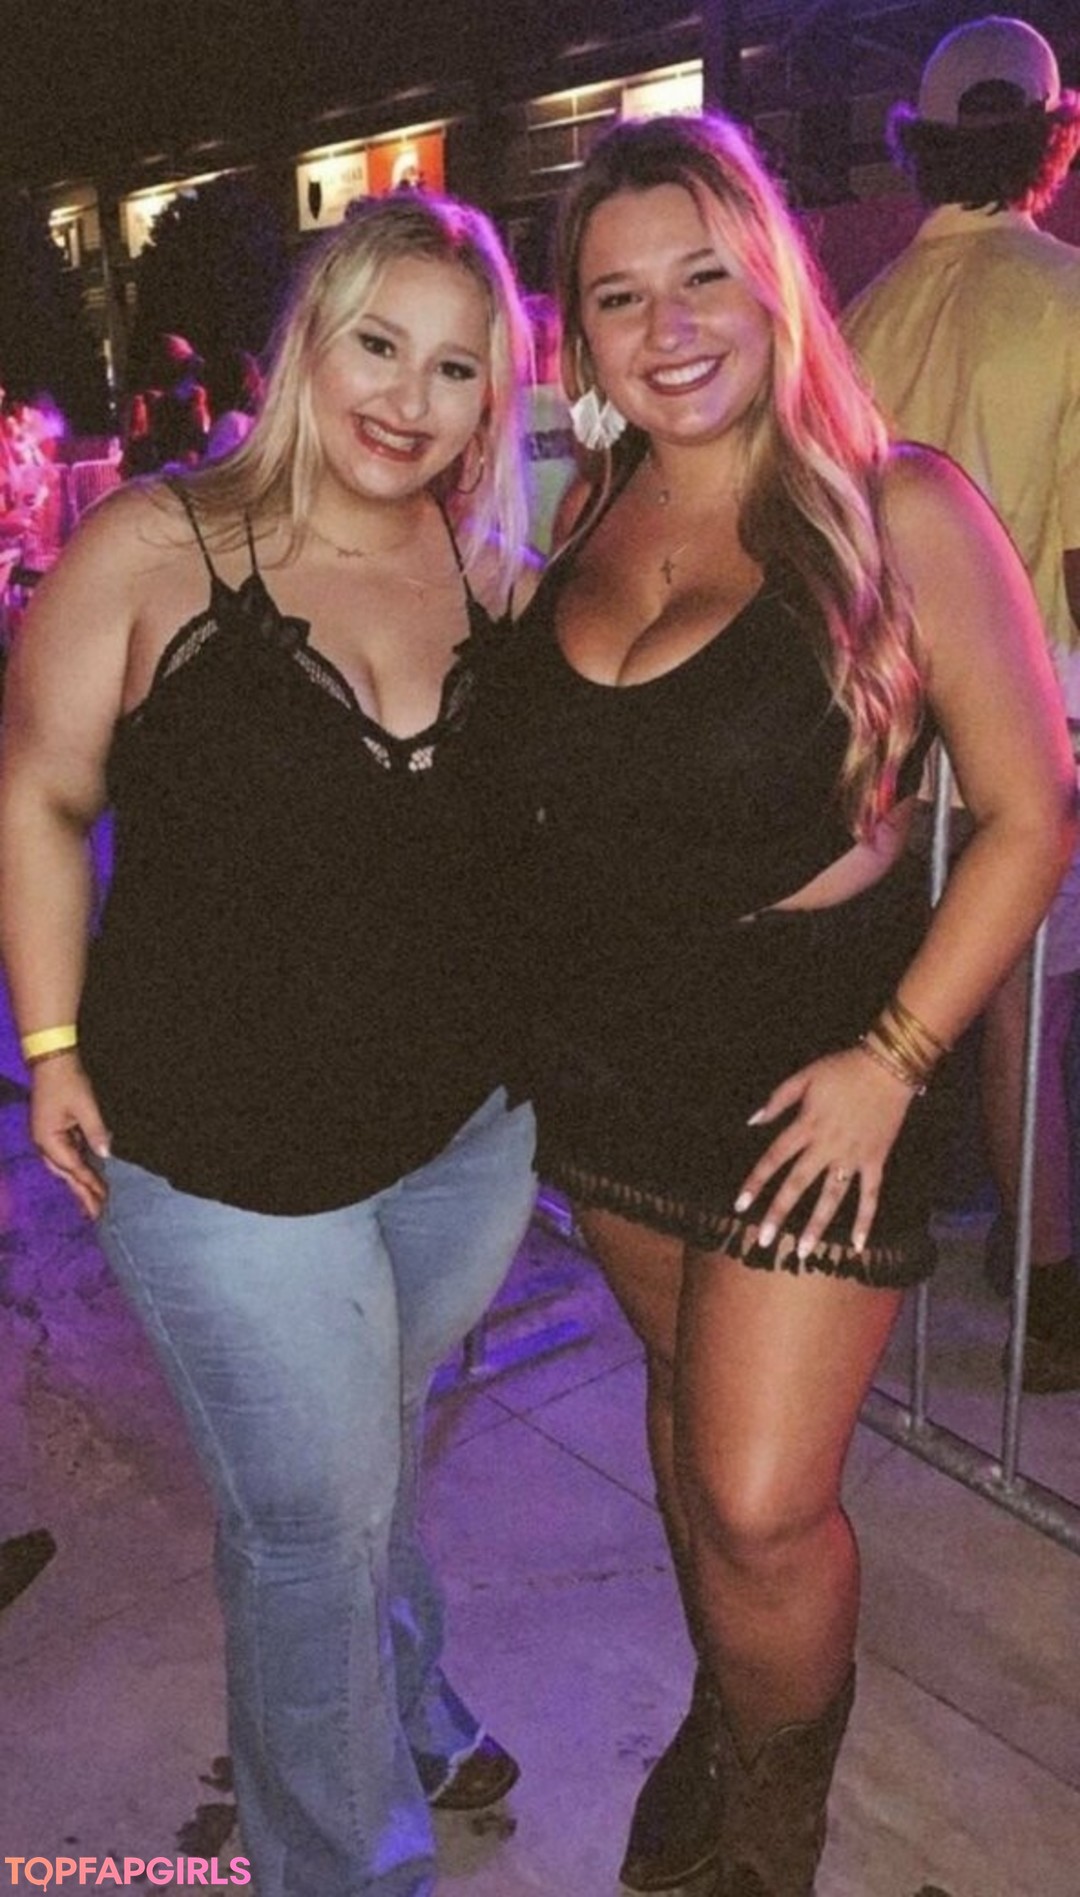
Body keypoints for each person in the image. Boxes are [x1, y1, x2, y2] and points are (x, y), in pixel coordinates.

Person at [479, 112, 1076, 1896]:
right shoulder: (587, 508)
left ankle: (775, 1816)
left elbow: (1032, 812)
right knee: (685, 1402)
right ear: (579, 337)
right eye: (618, 296)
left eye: (704, 277)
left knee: (758, 1493)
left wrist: (896, 1061)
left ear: (777, 283)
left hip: (820, 1076)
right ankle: (729, 1703)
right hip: (612, 1067)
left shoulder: (901, 505)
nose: (667, 327)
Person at [0, 191, 537, 1897]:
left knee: (360, 1454)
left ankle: (407, 1691)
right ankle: (347, 1861)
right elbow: (39, 789)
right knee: (309, 1515)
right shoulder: (151, 546)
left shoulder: (499, 575)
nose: (408, 397)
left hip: (463, 1141)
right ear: (306, 340)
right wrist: (52, 1038)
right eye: (377, 342)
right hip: (217, 1149)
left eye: (455, 366)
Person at [844, 15, 1080, 1394]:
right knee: (1023, 1009)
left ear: (918, 148)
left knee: (931, 983)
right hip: (1035, 717)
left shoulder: (865, 316)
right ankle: (1049, 1290)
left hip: (890, 727)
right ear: (1052, 142)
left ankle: (921, 1242)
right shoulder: (1068, 300)